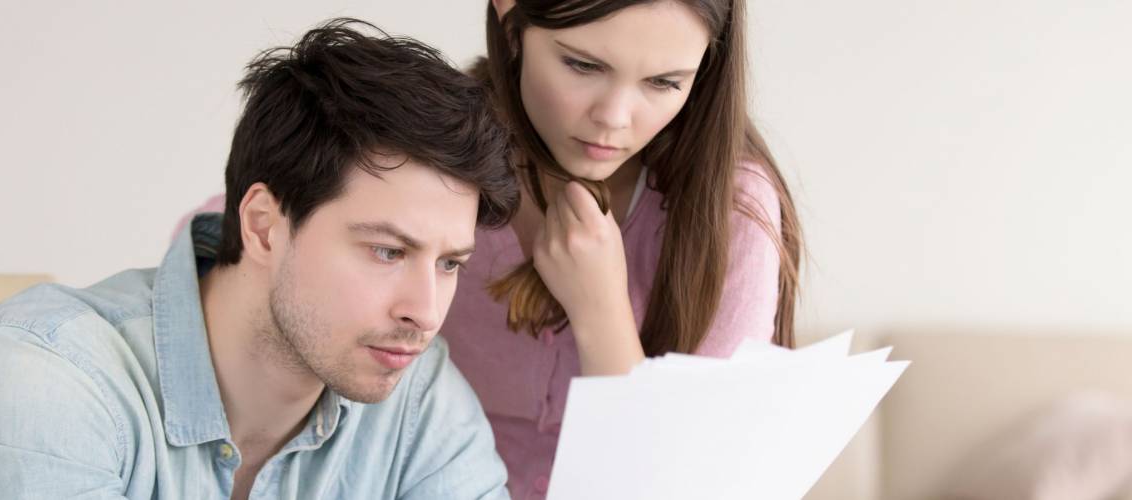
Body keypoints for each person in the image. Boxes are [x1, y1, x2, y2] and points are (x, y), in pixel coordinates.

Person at [173, 1, 804, 498]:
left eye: (664, 82)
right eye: (583, 65)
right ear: (511, 16)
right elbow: (230, 237)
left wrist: (602, 313)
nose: (615, 118)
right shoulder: (444, 166)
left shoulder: (730, 210)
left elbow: (696, 486)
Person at [0, 19, 519, 500]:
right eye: (388, 251)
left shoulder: (421, 403)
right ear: (264, 226)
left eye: (449, 264)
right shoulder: (44, 382)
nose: (426, 313)